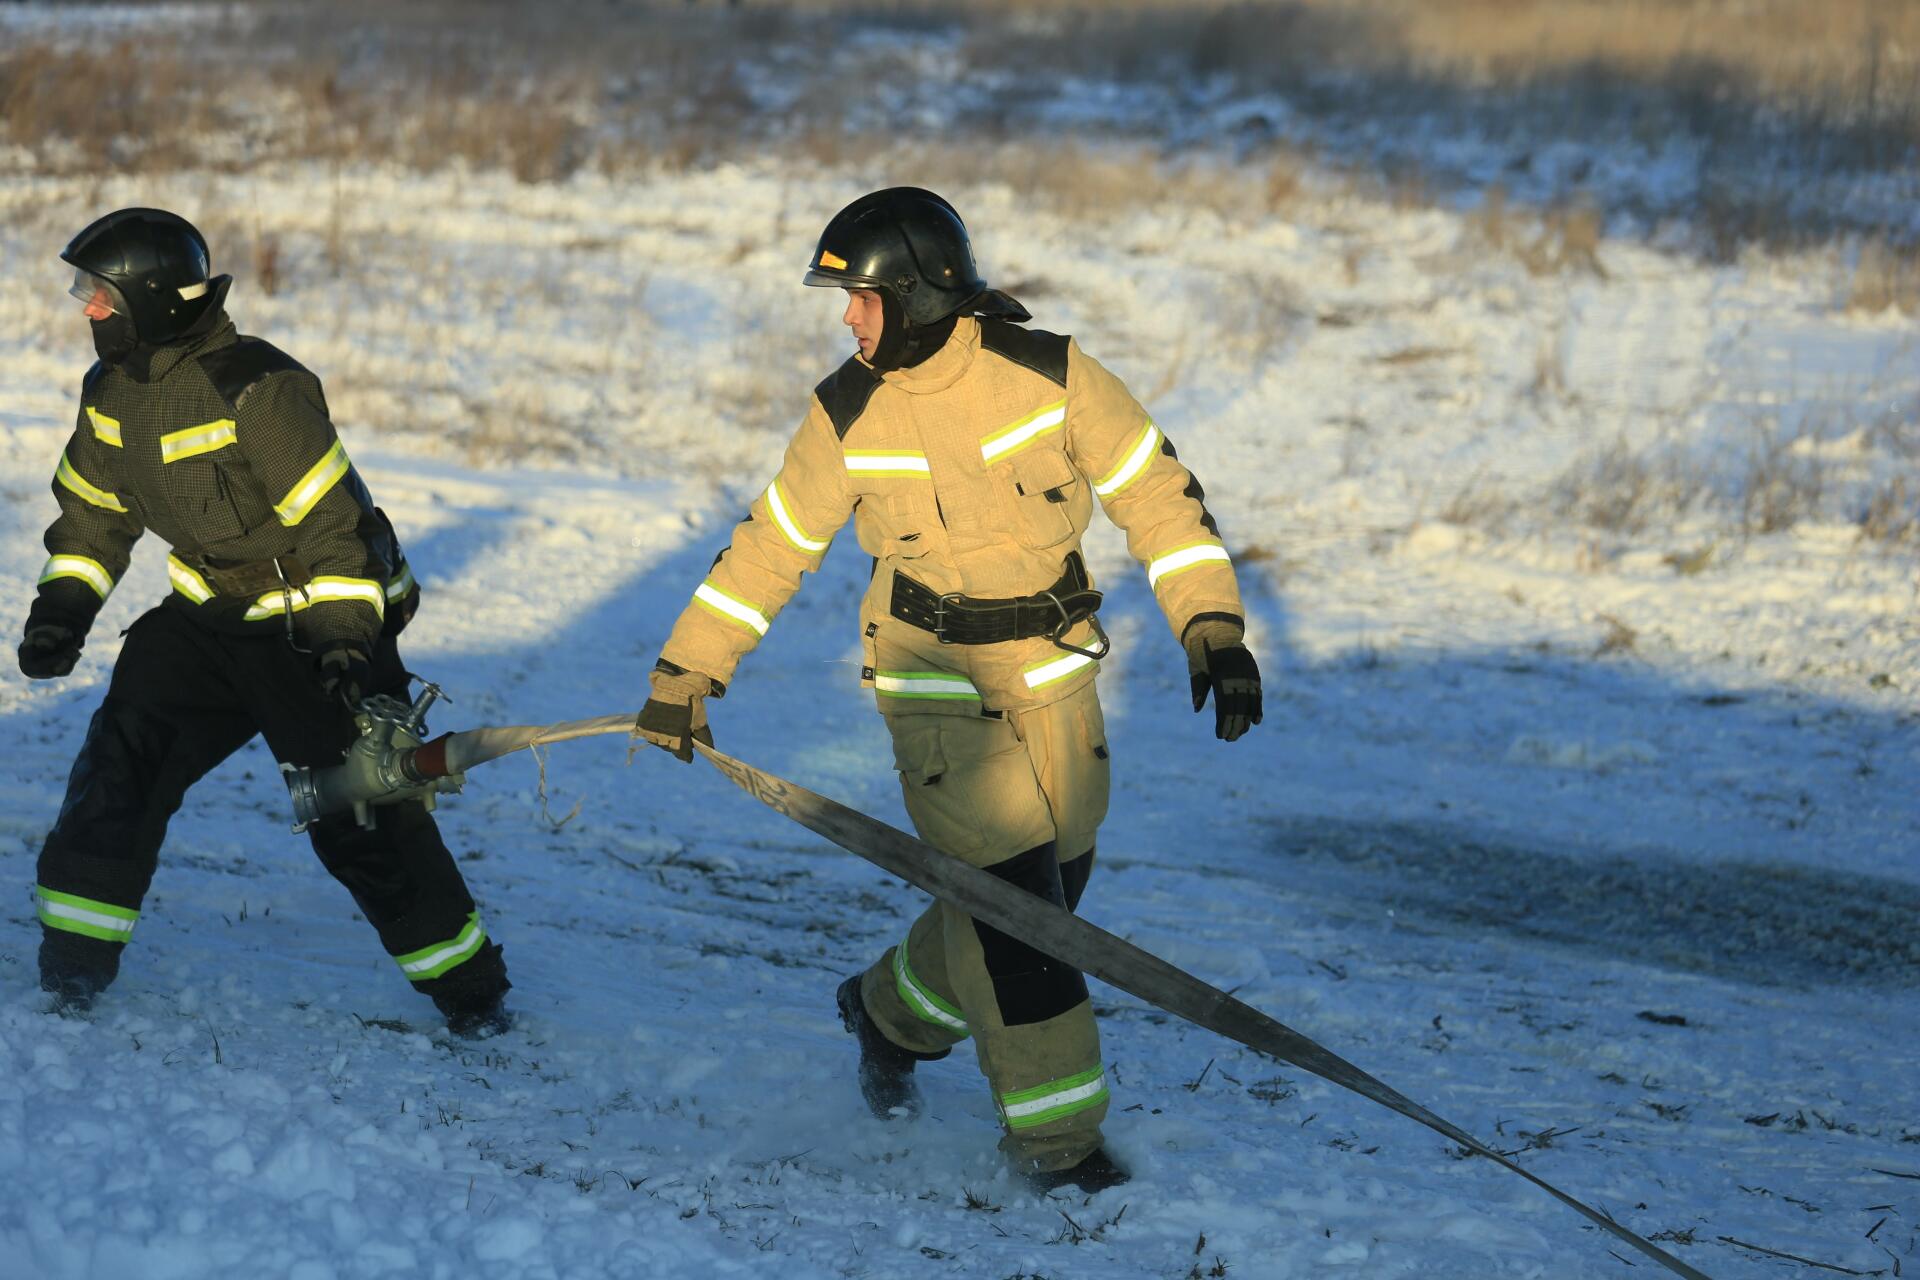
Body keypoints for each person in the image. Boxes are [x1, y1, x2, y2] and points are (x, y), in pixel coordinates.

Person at [636, 188, 1262, 1191]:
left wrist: (1212, 629)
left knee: (1047, 888)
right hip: (930, 681)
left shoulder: (1052, 374)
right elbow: (769, 549)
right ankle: (1060, 1148)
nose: (849, 319)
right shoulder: (846, 413)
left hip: (1054, 666)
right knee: (1021, 918)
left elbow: (1158, 497)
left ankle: (887, 1012)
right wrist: (686, 671)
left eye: (863, 298)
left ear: (921, 293)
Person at [17, 207, 511, 1036]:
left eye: (100, 294)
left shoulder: (260, 388)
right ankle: (71, 974)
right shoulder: (110, 392)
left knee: (359, 815)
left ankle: (473, 995)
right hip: (205, 617)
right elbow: (94, 512)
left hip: (311, 620)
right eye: (85, 292)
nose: (87, 308)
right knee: (118, 768)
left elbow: (335, 531)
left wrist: (345, 643)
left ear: (152, 300)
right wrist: (62, 609)